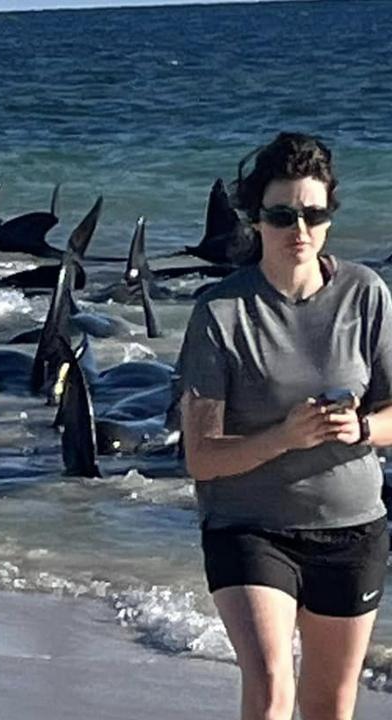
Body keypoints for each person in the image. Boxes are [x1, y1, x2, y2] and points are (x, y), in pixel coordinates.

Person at [178, 132, 392, 720]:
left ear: (329, 219)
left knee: (329, 706)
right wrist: (284, 437)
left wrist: (363, 430)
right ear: (256, 221)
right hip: (250, 528)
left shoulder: (365, 295)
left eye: (313, 214)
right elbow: (200, 457)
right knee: (273, 686)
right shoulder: (221, 313)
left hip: (352, 530)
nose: (299, 230)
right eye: (281, 215)